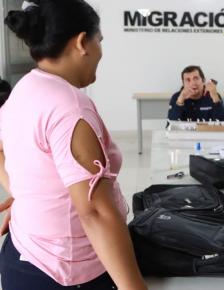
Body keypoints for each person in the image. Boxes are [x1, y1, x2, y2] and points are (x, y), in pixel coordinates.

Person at [0, 1, 147, 290]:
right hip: (69, 272)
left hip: (21, 256)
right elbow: (95, 212)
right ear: (82, 42)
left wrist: (30, 196)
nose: (100, 52)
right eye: (99, 41)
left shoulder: (24, 89)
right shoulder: (70, 107)